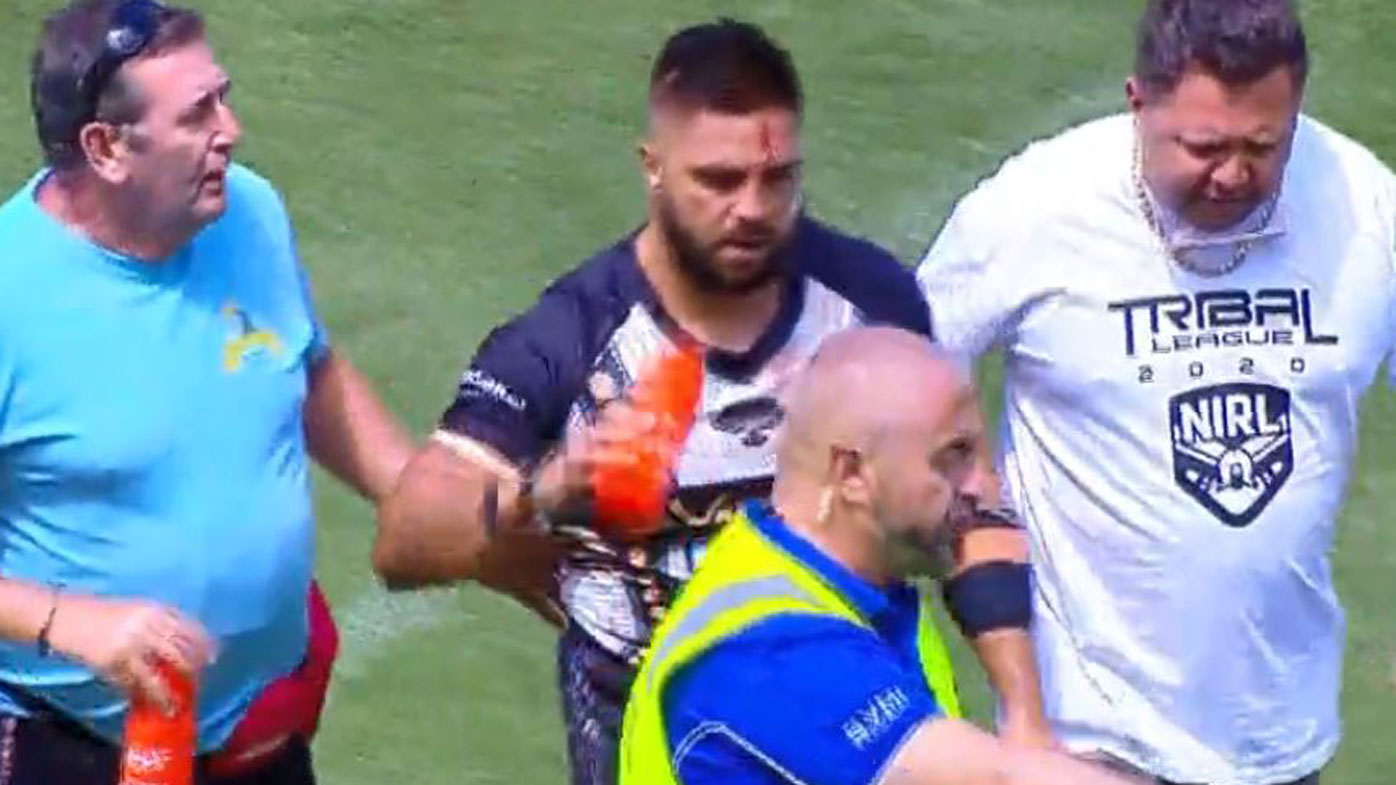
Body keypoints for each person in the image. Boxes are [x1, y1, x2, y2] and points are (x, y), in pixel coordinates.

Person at [375, 18, 1050, 785]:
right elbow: (403, 540)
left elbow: (967, 495)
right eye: (719, 181)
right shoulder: (573, 336)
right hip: (648, 726)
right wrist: (545, 491)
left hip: (851, 699)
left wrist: (1023, 713)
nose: (752, 208)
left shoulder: (868, 301)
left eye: (777, 178)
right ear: (653, 168)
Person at [915, 0, 1396, 782]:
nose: (1233, 174)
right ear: (1138, 102)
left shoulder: (1364, 204)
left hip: (1283, 735)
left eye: (1264, 145)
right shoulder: (1035, 211)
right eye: (1203, 147)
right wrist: (1018, 698)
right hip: (1089, 741)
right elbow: (893, 390)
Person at [0, 1, 414, 782]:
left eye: (222, 98)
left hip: (258, 735)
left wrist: (423, 491)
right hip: (68, 747)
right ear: (106, 147)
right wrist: (67, 621)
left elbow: (306, 367)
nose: (231, 129)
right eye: (197, 114)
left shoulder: (247, 212)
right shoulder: (10, 294)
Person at [619, 326, 1139, 785]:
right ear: (852, 474)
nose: (981, 487)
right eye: (953, 457)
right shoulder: (770, 648)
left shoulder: (852, 589)